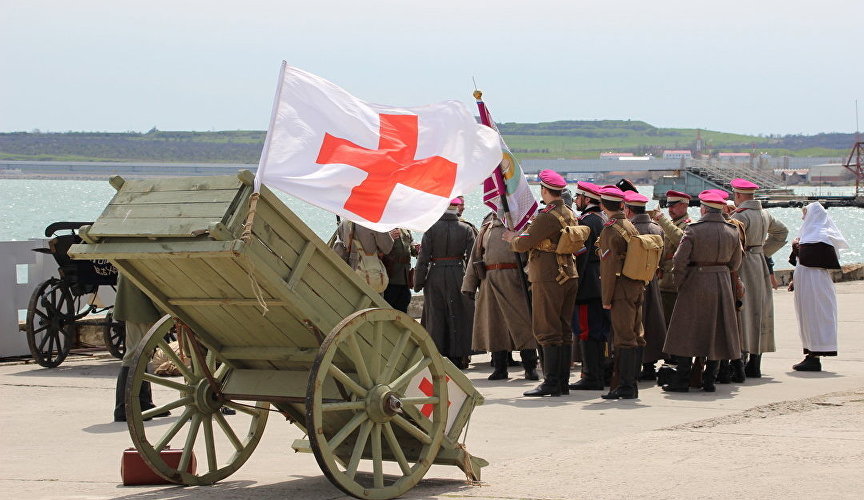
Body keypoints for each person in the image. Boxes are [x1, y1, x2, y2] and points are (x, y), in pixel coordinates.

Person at [504, 170, 579, 397]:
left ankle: (551, 382)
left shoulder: (547, 216)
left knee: (547, 330)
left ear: (545, 191)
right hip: (568, 274)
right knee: (564, 330)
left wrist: (512, 238)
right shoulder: (568, 212)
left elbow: (524, 243)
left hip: (548, 277)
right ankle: (562, 382)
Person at [661, 191, 743, 393]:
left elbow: (680, 260)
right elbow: (736, 263)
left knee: (686, 331)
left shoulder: (694, 229)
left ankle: (681, 379)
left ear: (704, 209)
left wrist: (680, 282)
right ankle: (709, 380)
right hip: (722, 281)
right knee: (716, 330)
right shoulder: (732, 230)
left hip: (696, 281)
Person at [462, 212, 538, 381]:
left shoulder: (521, 226)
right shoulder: (486, 229)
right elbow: (475, 257)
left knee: (523, 325)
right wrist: (469, 285)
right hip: (489, 281)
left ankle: (530, 367)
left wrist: (532, 280)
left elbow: (532, 256)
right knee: (494, 326)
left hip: (515, 280)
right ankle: (499, 368)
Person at [730, 178, 788, 378]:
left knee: (742, 312)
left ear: (737, 195)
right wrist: (763, 252)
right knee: (760, 311)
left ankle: (740, 362)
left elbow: (732, 243)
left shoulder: (740, 216)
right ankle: (755, 363)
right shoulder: (765, 214)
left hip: (743, 263)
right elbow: (782, 233)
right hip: (759, 264)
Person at [414, 198, 476, 369]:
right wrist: (473, 283)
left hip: (435, 274)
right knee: (460, 315)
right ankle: (460, 356)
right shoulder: (466, 229)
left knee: (436, 316)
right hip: (459, 273)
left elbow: (422, 260)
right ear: (457, 208)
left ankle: (438, 355)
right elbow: (472, 259)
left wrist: (418, 283)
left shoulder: (431, 229)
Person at [597, 186, 646, 400]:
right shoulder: (628, 225)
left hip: (621, 290)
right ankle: (630, 383)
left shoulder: (610, 230)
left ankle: (627, 386)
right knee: (635, 335)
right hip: (635, 285)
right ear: (622, 205)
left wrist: (606, 298)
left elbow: (608, 269)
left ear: (602, 205)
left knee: (624, 338)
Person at [788, 202, 848, 372]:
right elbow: (801, 261)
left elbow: (812, 258)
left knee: (816, 315)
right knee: (806, 316)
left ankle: (815, 356)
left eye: (805, 213)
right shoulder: (809, 233)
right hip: (806, 281)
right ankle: (810, 353)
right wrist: (795, 280)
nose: (802, 217)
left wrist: (797, 246)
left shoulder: (821, 235)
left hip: (816, 282)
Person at [569, 181, 611, 391]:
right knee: (599, 330)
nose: (576, 201)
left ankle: (591, 376)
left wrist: (575, 283)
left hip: (588, 284)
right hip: (601, 282)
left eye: (578, 197)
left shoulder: (586, 221)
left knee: (586, 331)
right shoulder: (603, 219)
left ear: (586, 199)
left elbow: (580, 258)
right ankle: (599, 372)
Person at [113, 274, 170, 422]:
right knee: (135, 354)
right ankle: (125, 408)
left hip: (135, 301)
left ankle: (142, 405)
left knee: (140, 354)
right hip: (140, 304)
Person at [623, 191, 667, 381]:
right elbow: (663, 256)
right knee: (653, 321)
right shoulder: (657, 228)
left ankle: (634, 365)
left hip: (632, 281)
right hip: (653, 281)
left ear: (628, 209)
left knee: (634, 323)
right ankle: (649, 365)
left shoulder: (629, 229)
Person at [650, 190, 693, 326]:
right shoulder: (673, 224)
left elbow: (681, 239)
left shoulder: (689, 225)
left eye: (673, 206)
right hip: (663, 283)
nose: (670, 209)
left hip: (673, 285)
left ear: (684, 205)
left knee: (672, 325)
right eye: (668, 206)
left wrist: (661, 220)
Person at [381, 228, 415, 313]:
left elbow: (411, 245)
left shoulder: (405, 228)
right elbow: (378, 249)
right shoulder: (383, 227)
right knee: (388, 309)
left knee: (404, 306)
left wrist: (416, 248)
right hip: (390, 279)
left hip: (405, 279)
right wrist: (389, 238)